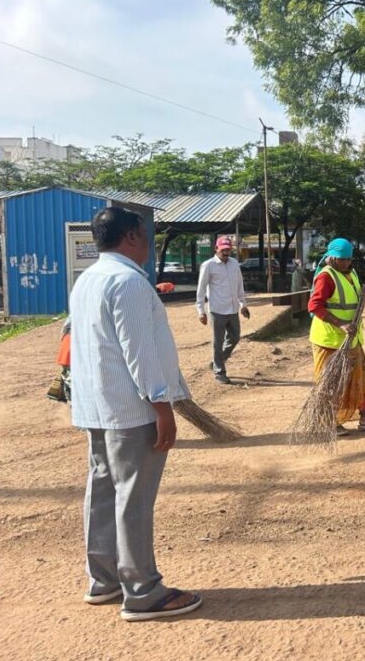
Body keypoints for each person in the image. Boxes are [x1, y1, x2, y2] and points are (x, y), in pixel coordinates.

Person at [69, 206, 202, 621]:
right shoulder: (128, 282)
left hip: (96, 406)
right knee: (133, 498)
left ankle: (105, 579)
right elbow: (139, 353)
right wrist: (162, 406)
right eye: (144, 235)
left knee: (104, 491)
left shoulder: (87, 281)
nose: (147, 243)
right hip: (132, 409)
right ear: (130, 237)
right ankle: (143, 590)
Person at [307, 238, 365, 433]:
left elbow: (349, 300)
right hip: (328, 340)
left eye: (349, 259)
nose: (347, 263)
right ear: (332, 258)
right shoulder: (326, 277)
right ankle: (327, 421)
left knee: (360, 380)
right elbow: (314, 306)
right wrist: (341, 324)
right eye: (343, 260)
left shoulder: (349, 272)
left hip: (351, 339)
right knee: (330, 383)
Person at [196, 236, 250, 383]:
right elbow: (201, 289)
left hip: (232, 310)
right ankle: (220, 373)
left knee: (235, 337)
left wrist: (243, 305)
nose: (226, 252)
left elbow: (239, 285)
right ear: (216, 249)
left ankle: (216, 362)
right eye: (223, 249)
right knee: (217, 342)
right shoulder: (208, 265)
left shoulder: (234, 264)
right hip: (216, 310)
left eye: (228, 249)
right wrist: (200, 310)